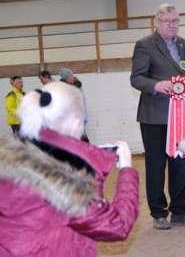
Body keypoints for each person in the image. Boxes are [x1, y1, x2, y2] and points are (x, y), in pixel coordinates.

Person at [0, 81, 139, 256]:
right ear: (75, 122)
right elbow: (116, 226)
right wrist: (126, 170)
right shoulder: (68, 179)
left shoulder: (10, 157)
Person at [130, 3, 185, 230]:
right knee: (156, 165)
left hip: (182, 116)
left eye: (175, 21)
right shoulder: (144, 45)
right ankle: (158, 213)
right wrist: (157, 85)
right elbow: (136, 78)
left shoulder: (184, 45)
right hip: (154, 117)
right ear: (157, 22)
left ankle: (180, 210)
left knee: (181, 164)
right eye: (167, 21)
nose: (172, 25)